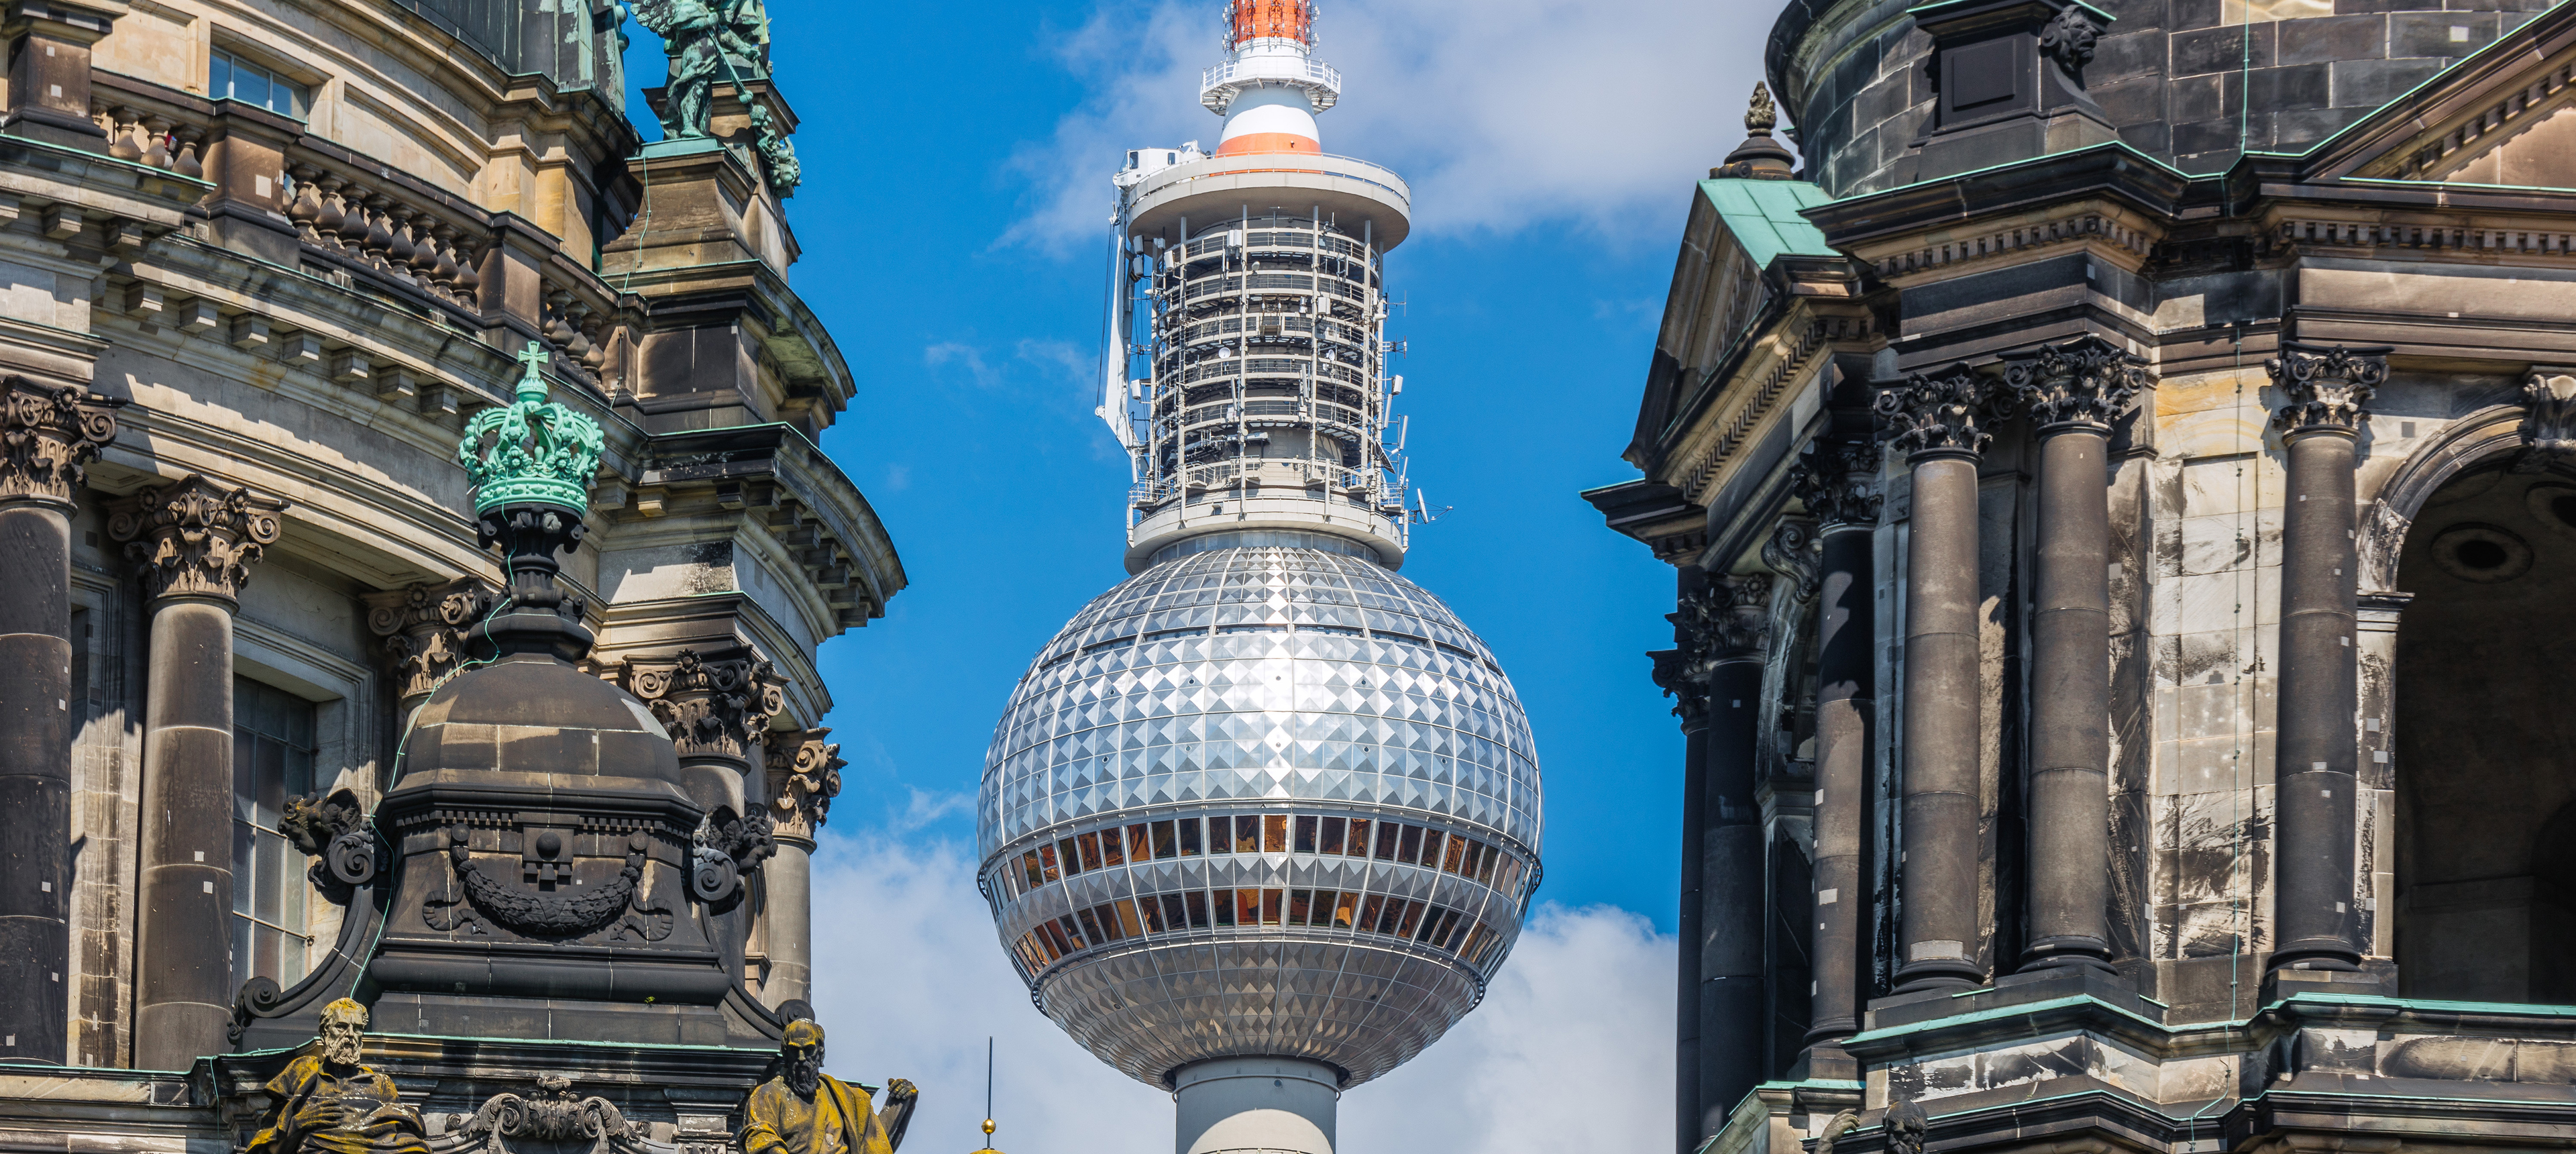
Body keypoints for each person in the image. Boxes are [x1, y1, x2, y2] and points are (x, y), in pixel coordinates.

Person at [244, 999, 431, 1154]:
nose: (350, 1035)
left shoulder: (380, 1084)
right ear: (325, 1034)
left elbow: (400, 1138)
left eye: (357, 1028)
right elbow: (269, 1151)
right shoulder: (302, 1078)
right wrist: (300, 1123)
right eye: (342, 1027)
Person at [739, 1019, 917, 1154]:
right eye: (795, 1050)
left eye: (808, 1050)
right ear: (786, 1054)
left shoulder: (847, 1098)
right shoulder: (768, 1095)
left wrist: (900, 1103)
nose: (801, 1059)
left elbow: (875, 1143)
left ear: (820, 1053)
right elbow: (760, 1137)